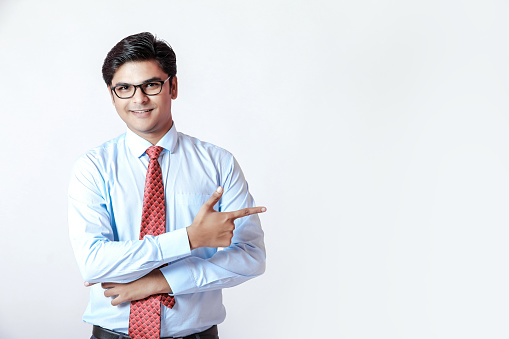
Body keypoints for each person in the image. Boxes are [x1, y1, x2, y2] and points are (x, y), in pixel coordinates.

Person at [68, 32, 266, 339]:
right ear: (111, 94)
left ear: (172, 86)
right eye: (124, 88)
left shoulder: (218, 163)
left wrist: (162, 281)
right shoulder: (93, 168)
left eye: (151, 84)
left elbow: (251, 256)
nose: (139, 99)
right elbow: (94, 263)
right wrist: (189, 239)